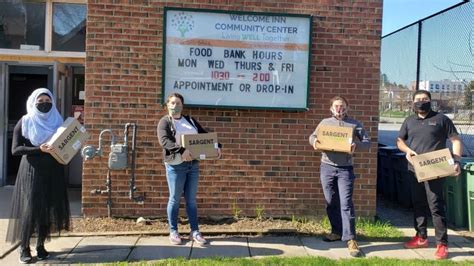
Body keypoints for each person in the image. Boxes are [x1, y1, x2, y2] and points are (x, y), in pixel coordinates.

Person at [6, 88, 70, 264]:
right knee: (31, 210)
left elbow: (66, 142)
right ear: (33, 103)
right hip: (32, 171)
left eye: (47, 101)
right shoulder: (26, 121)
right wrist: (38, 149)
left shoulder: (58, 121)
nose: (44, 104)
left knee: (47, 209)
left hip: (54, 170)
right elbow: (16, 149)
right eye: (40, 102)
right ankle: (24, 247)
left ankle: (41, 245)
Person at [397, 90, 462, 260]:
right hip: (415, 169)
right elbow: (400, 140)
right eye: (418, 99)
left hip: (436, 169)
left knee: (436, 206)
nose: (421, 102)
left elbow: (455, 140)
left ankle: (442, 244)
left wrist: (456, 161)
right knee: (418, 203)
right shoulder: (409, 121)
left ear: (430, 101)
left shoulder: (441, 119)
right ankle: (421, 237)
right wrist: (407, 151)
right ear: (413, 102)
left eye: (425, 99)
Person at [309, 96, 371, 257]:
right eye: (336, 106)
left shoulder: (355, 124)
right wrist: (315, 142)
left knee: (346, 204)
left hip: (345, 170)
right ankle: (336, 231)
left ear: (347, 107)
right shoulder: (324, 123)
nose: (339, 109)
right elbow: (312, 137)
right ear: (331, 107)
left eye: (342, 106)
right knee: (331, 202)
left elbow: (367, 142)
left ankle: (350, 239)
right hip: (327, 167)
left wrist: (356, 146)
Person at [157, 93, 221, 245]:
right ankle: (173, 231)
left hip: (193, 165)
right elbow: (164, 141)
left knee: (191, 200)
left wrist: (216, 146)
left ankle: (195, 231)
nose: (175, 105)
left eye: (178, 103)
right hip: (176, 166)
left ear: (182, 105)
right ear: (167, 105)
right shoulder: (165, 122)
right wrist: (181, 150)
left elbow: (204, 135)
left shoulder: (190, 120)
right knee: (174, 199)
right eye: (172, 103)